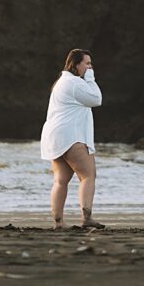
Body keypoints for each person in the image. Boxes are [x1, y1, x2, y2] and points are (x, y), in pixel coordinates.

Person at [40, 48, 105, 230]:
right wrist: (91, 78)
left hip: (54, 136)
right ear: (76, 64)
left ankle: (58, 222)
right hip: (70, 135)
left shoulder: (62, 82)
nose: (90, 67)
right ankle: (87, 218)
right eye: (87, 63)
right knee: (88, 175)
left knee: (61, 180)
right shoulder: (75, 83)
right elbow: (96, 99)